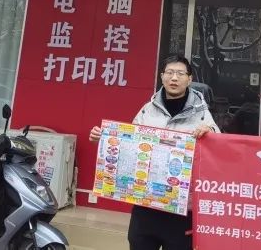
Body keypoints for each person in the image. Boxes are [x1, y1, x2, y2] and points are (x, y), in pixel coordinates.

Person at [90, 54, 220, 250]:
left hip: (181, 208)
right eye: (170, 72)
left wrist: (210, 134)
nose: (174, 78)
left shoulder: (202, 113)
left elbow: (217, 150)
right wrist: (105, 139)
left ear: (189, 79)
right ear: (162, 76)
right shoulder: (147, 110)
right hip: (146, 204)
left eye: (180, 73)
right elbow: (129, 146)